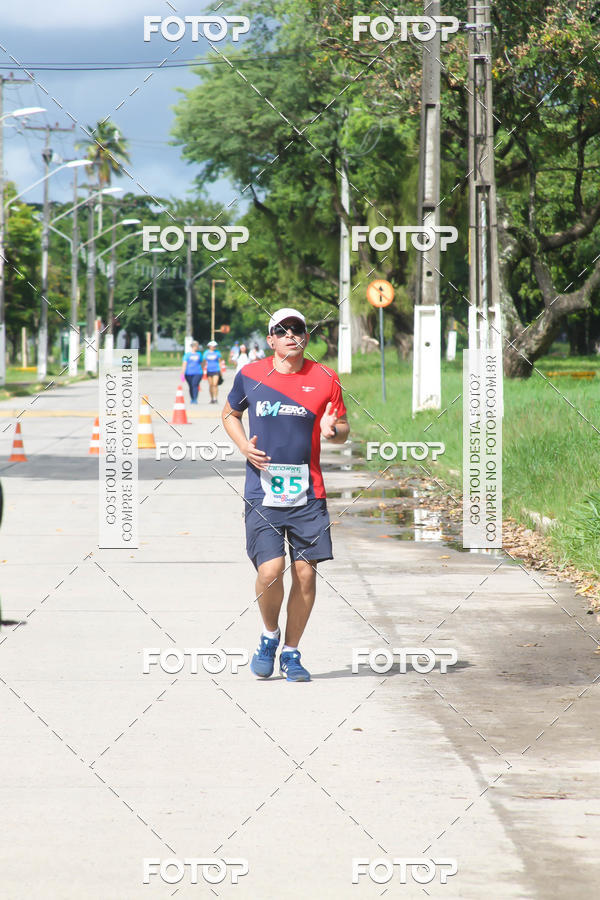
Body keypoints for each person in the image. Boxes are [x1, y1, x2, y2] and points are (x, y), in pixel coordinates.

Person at [222, 307, 350, 682]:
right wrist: (244, 446)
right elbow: (229, 414)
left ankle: (291, 653)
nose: (291, 335)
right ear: (271, 339)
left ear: (305, 337)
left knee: (306, 575)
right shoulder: (251, 375)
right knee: (271, 570)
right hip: (262, 490)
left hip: (309, 492)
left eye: (298, 329)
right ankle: (269, 636)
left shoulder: (325, 378)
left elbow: (342, 428)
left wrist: (334, 431)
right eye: (283, 330)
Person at [202, 340, 223, 404]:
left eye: (215, 346)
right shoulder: (206, 353)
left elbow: (220, 362)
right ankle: (212, 399)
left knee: (215, 384)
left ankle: (215, 398)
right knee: (210, 385)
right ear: (209, 346)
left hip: (216, 370)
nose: (214, 347)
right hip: (209, 370)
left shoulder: (217, 353)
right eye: (213, 346)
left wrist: (221, 371)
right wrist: (202, 369)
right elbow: (204, 361)